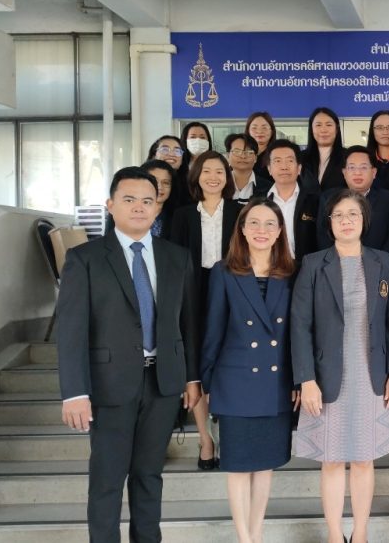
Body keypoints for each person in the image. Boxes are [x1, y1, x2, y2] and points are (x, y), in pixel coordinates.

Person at [57, 167, 201, 542]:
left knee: (149, 476)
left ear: (157, 207)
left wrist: (191, 377)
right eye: (129, 199)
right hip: (109, 384)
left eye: (147, 201)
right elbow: (71, 331)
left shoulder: (176, 256)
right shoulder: (85, 258)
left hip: (163, 383)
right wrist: (75, 392)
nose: (139, 207)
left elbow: (188, 323)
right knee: (107, 479)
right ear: (111, 205)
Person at [291, 189, 389, 543]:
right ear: (329, 223)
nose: (346, 221)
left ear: (364, 220)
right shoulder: (314, 263)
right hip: (326, 378)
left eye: (353, 214)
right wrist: (306, 379)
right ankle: (333, 534)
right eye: (338, 215)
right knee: (330, 460)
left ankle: (360, 533)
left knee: (363, 459)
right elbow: (300, 325)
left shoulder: (383, 262)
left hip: (372, 375)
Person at [200, 199, 297, 543]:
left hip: (276, 382)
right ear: (241, 229)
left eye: (270, 224)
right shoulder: (224, 271)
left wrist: (299, 379)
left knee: (265, 465)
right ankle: (244, 538)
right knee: (239, 467)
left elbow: (296, 334)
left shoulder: (291, 272)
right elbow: (213, 330)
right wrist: (207, 380)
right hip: (236, 381)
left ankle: (257, 533)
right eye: (253, 223)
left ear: (280, 231)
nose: (261, 230)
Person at [170, 150, 243, 470]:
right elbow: (174, 261)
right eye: (207, 171)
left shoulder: (240, 212)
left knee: (227, 364)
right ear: (196, 176)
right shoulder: (183, 215)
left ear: (227, 178)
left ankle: (227, 435)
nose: (213, 177)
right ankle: (205, 439)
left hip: (231, 289)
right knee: (196, 366)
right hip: (192, 292)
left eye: (219, 172)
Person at [318, 145, 389, 260]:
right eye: (352, 167)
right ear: (344, 172)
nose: (357, 173)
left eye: (363, 167)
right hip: (337, 264)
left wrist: (379, 263)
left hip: (378, 264)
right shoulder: (328, 198)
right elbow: (323, 237)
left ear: (374, 172)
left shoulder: (388, 199)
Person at [265, 139, 319, 261]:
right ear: (269, 169)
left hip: (305, 268)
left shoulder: (315, 202)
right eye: (277, 161)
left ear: (299, 168)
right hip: (268, 266)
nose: (284, 167)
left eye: (290, 161)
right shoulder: (259, 201)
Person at [301, 107, 347, 195]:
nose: (323, 130)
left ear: (337, 129)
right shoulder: (300, 158)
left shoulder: (348, 156)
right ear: (311, 129)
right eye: (318, 125)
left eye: (329, 125)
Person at [225, 133, 272, 204]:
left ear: (255, 158)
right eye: (237, 152)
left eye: (249, 152)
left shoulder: (269, 188)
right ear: (228, 156)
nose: (243, 156)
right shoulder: (219, 184)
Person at [147, 135, 191, 209]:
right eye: (165, 149)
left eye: (177, 151)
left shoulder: (190, 187)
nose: (171, 154)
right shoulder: (141, 179)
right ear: (154, 155)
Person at [246, 111, 277, 181]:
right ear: (248, 131)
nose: (259, 131)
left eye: (264, 128)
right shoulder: (241, 154)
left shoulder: (277, 153)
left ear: (272, 131)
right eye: (254, 128)